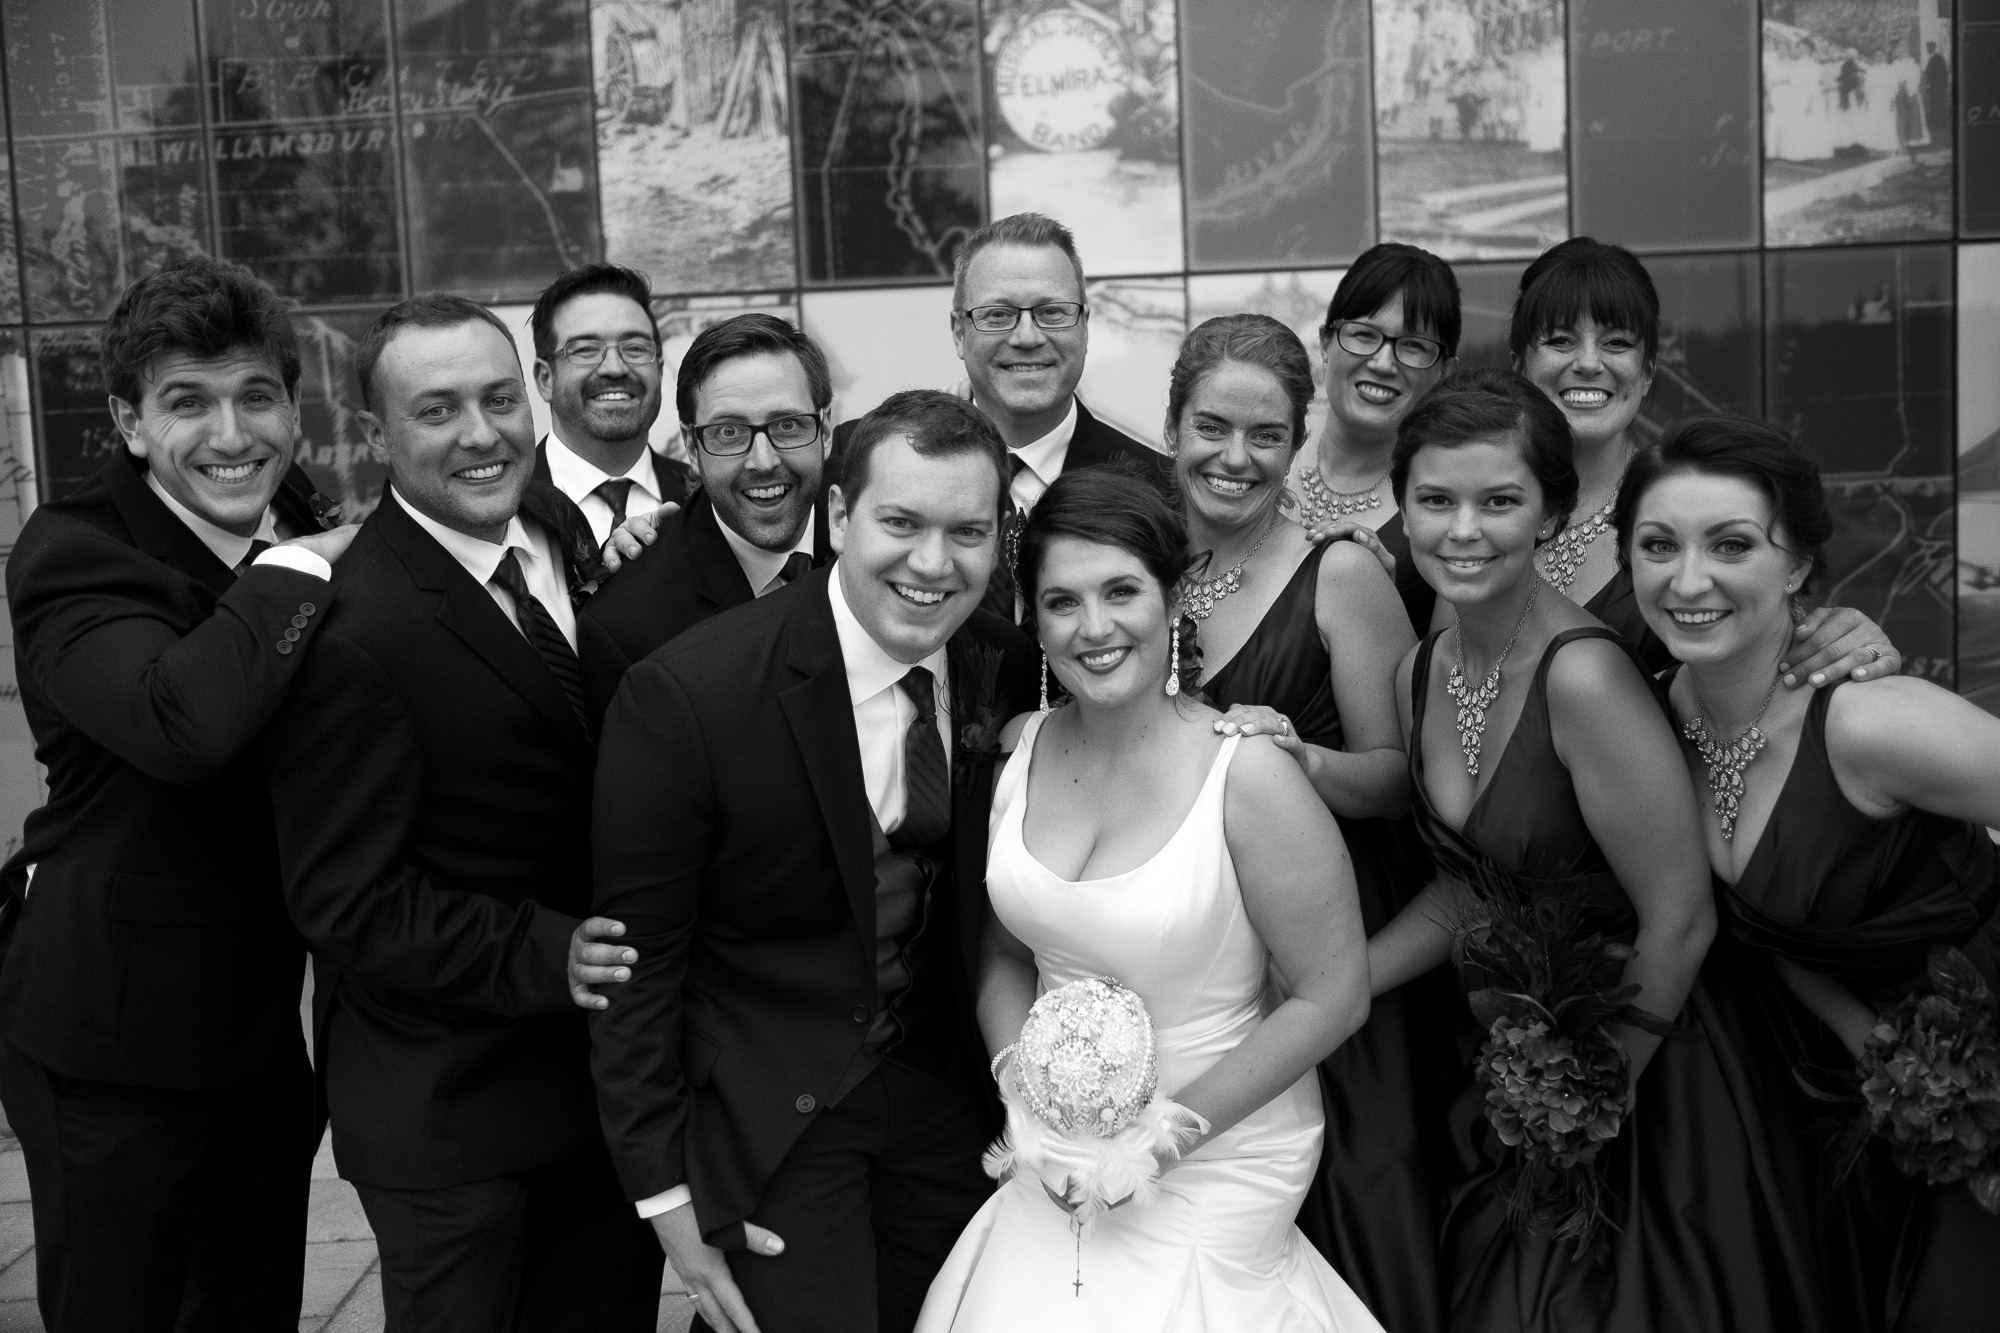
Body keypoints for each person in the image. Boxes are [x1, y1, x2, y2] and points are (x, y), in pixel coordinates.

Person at [1367, 369, 1845, 1332]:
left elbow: (1682, 919)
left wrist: (1591, 1102)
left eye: (1499, 501)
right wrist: (1329, 986)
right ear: (1402, 510)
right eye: (1436, 501)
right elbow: (1475, 886)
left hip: (1657, 1072)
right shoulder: (1420, 666)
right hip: (1523, 1066)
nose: (1464, 529)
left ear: (1550, 514)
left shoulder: (1584, 675)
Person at [589, 391, 1036, 1333]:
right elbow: (639, 965)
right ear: (837, 516)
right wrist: (665, 1196)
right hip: (775, 1115)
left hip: (949, 1109)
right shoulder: (688, 695)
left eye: (967, 531)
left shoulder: (1006, 661)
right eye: (901, 522)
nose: (932, 562)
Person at [262, 294, 662, 1333]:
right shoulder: (346, 627)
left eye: (496, 398)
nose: (480, 433)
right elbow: (345, 900)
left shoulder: (564, 543)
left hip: (600, 1097)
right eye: (436, 410)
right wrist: (549, 954)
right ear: (373, 436)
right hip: (449, 1115)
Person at [914, 467, 1384, 1331]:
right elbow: (1006, 950)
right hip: (1054, 1144)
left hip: (1223, 1141)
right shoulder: (1020, 754)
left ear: (1173, 600)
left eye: (1121, 591)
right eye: (1061, 602)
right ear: (1035, 620)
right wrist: (1023, 1095)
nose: (1093, 628)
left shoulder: (1247, 774)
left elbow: (1333, 994)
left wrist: (1157, 1140)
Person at [0, 256, 355, 1332]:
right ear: (130, 420)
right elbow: (180, 722)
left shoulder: (293, 513)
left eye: (256, 396)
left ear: (293, 407)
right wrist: (305, 568)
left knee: (248, 1306)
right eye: (186, 402)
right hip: (110, 1041)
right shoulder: (74, 553)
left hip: (256, 1030)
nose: (232, 433)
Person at [1618, 415, 2000, 1333]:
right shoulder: (1651, 720)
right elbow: (1773, 935)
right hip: (1888, 1100)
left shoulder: (1870, 722)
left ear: (1796, 568)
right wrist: (1896, 1071)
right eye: (1658, 545)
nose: (1689, 579)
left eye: (1733, 544)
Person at [1153, 314, 1449, 1331]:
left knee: (1347, 1216)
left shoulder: (1343, 573)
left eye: (1265, 436)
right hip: (1186, 964)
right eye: (1211, 426)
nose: (1234, 458)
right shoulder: (1132, 565)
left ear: (1295, 442)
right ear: (1172, 422)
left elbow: (1402, 779)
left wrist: (1299, 757)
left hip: (1323, 944)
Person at [1503, 237, 1897, 686]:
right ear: (1520, 366)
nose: (1589, 363)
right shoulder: (1477, 505)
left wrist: (1845, 640)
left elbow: (1784, 639)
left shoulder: (1683, 499)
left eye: (1616, 342)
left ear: (1648, 371)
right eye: (1560, 340)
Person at [829, 213, 1171, 620]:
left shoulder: (1158, 488)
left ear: (1084, 326)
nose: (1027, 337)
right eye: (997, 315)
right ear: (959, 331)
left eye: (1053, 312)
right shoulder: (856, 454)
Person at [583, 312, 832, 664]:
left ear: (825, 432)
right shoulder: (627, 630)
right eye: (728, 432)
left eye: (788, 424)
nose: (763, 461)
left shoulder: (877, 502)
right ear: (692, 447)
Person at [1288, 242, 1461, 634]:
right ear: (1325, 342)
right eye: (1364, 335)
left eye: (1414, 346)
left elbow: (1450, 684)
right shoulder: (1260, 454)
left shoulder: (1451, 506)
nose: (1383, 363)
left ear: (1446, 371)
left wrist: (1384, 603)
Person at [529, 262, 693, 546]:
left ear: (659, 370)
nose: (615, 368)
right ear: (546, 379)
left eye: (635, 348)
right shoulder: (507, 502)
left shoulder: (706, 498)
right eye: (586, 350)